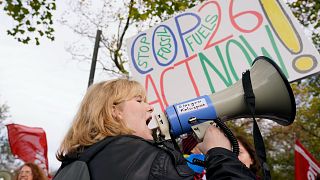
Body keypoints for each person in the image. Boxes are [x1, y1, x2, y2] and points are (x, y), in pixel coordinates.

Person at [55, 79, 256, 180]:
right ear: (114, 111)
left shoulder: (77, 161)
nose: (150, 107)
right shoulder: (143, 158)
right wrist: (219, 153)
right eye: (139, 100)